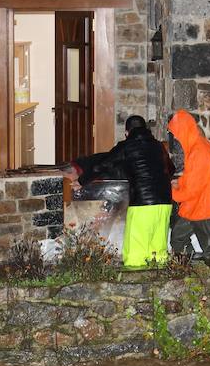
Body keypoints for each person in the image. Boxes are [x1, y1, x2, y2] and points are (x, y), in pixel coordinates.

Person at [66, 115, 174, 268]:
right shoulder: (158, 146)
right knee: (158, 251)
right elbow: (171, 169)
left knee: (136, 253)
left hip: (142, 204)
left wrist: (81, 181)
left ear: (126, 133)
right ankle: (163, 285)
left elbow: (102, 166)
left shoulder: (127, 146)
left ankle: (136, 287)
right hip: (164, 202)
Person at [167, 109, 210, 263]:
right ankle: (185, 269)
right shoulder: (196, 147)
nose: (175, 138)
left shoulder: (198, 151)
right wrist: (178, 183)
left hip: (204, 208)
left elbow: (192, 189)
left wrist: (172, 192)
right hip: (195, 206)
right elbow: (194, 177)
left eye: (176, 133)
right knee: (178, 238)